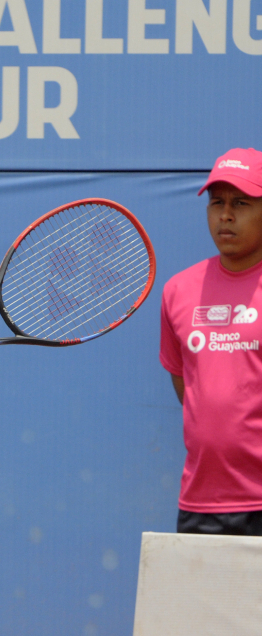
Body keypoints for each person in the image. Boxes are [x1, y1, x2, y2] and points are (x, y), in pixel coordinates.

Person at [160, 147, 262, 536]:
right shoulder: (179, 291)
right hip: (201, 504)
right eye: (217, 202)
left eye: (242, 203)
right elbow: (187, 385)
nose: (226, 215)